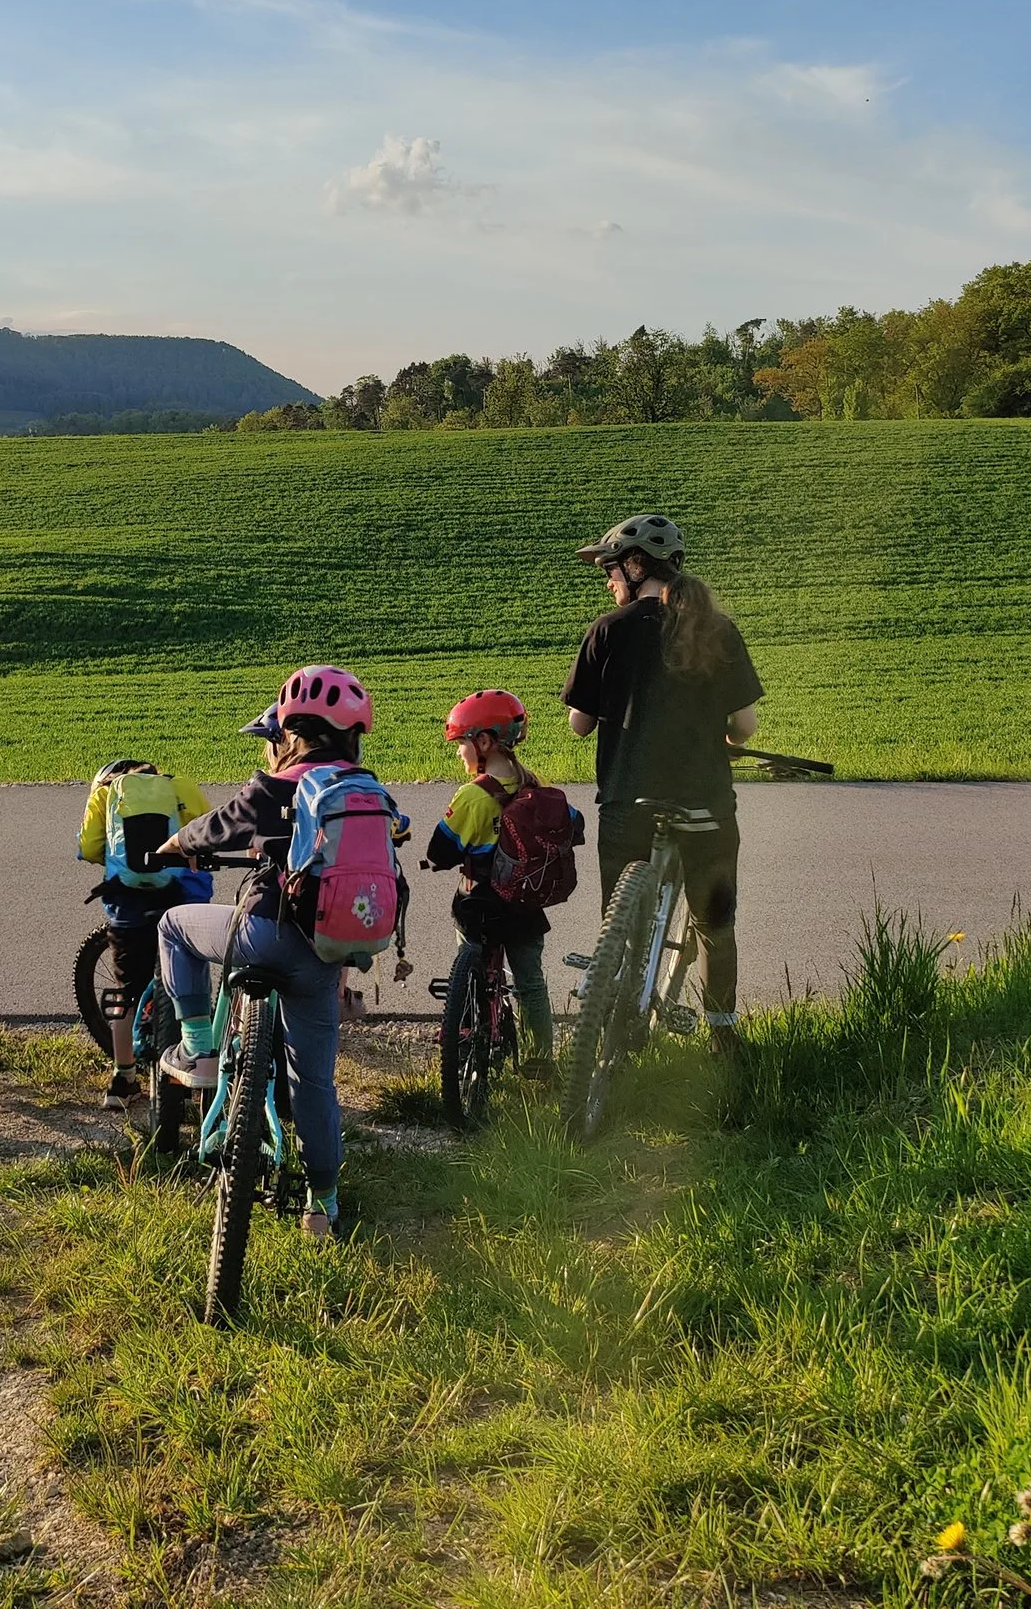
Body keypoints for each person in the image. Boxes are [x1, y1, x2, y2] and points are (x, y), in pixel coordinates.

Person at [152, 666, 407, 1242]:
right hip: (325, 952)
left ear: (289, 728)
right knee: (313, 1081)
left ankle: (200, 1047)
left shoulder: (277, 785)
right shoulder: (367, 787)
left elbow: (213, 829)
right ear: (352, 733)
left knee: (172, 926)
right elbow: (397, 829)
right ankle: (324, 1203)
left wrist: (172, 845)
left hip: (263, 931)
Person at [560, 514, 762, 1048]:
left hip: (629, 801)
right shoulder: (717, 629)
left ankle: (613, 1028)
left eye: (609, 570)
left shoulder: (608, 630)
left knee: (619, 928)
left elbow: (579, 723)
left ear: (634, 565)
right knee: (714, 927)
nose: (607, 582)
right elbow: (743, 728)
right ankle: (722, 1036)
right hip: (706, 805)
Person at [421, 689, 581, 1079]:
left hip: (480, 906)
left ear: (485, 742)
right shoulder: (536, 789)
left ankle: (466, 1032)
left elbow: (440, 851)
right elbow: (573, 827)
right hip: (525, 909)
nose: (460, 752)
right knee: (530, 982)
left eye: (462, 744)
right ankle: (541, 1058)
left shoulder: (473, 797)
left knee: (470, 967)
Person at [77, 757, 212, 1107]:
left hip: (129, 903)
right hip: (183, 900)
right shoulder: (182, 786)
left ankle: (123, 1081)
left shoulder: (104, 796)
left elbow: (90, 848)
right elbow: (207, 836)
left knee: (127, 989)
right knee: (192, 985)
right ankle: (203, 1074)